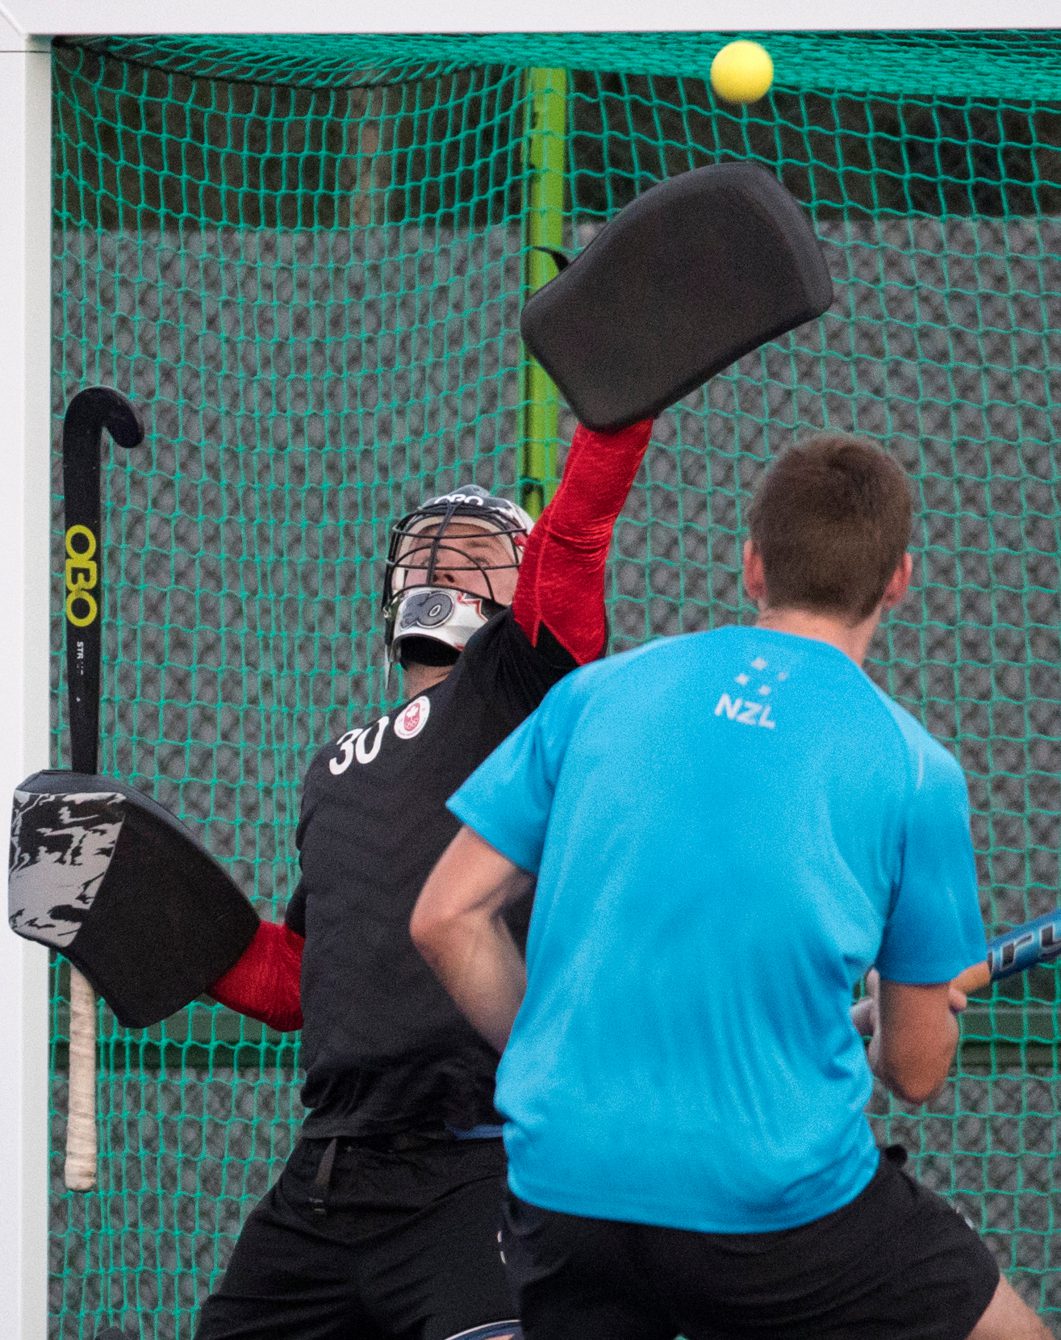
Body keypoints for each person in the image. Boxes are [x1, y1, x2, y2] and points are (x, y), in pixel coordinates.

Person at [411, 432, 1051, 1340]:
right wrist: (906, 1008)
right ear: (898, 581)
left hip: (563, 1184)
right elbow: (913, 1070)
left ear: (751, 565)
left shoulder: (597, 695)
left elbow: (444, 918)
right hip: (773, 1208)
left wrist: (576, 1048)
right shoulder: (914, 768)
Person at [192, 414, 654, 1340]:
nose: (445, 565)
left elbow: (574, 536)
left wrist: (616, 415)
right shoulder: (331, 766)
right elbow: (294, 983)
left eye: (479, 552)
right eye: (429, 552)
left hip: (471, 1168)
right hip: (325, 1179)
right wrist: (144, 924)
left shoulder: (520, 692)